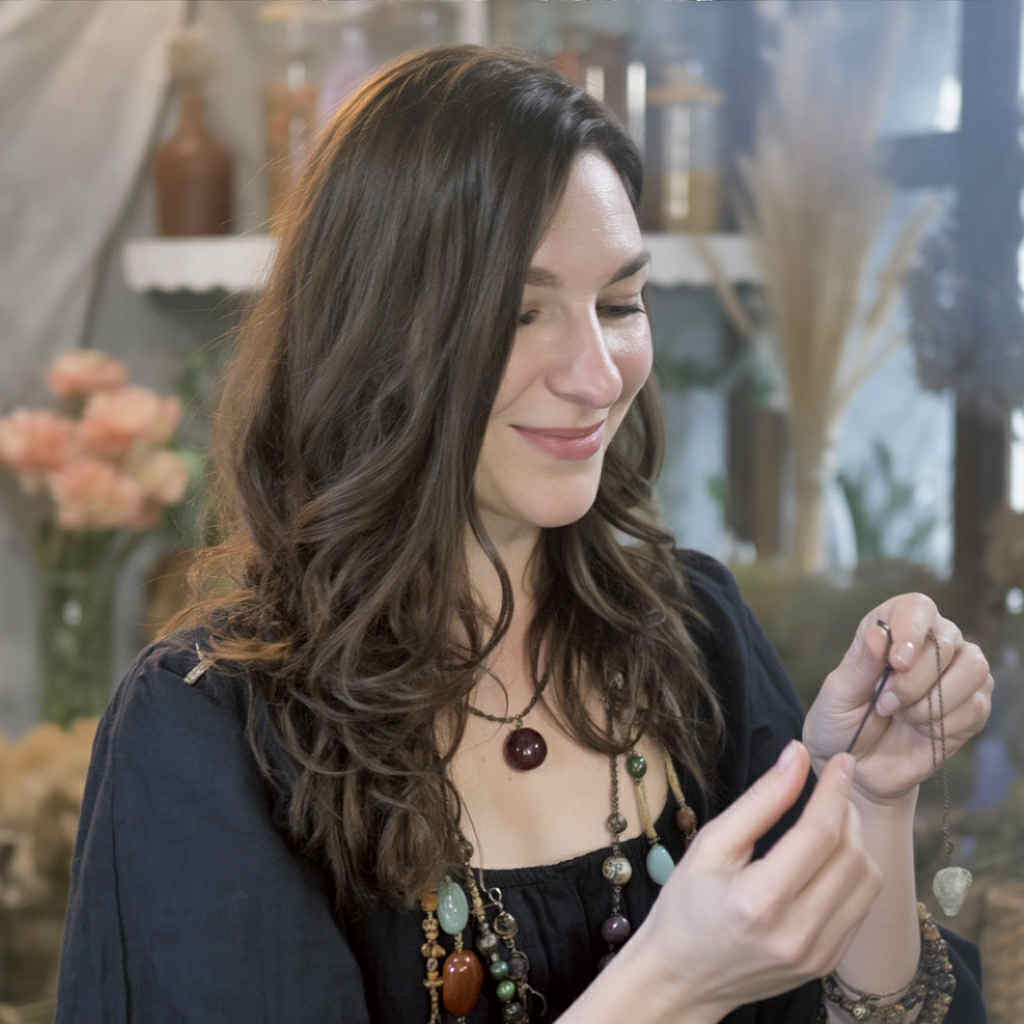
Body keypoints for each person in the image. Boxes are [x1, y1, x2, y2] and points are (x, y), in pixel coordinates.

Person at [55, 45, 990, 1023]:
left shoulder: (694, 636)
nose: (597, 375)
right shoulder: (208, 730)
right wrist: (673, 982)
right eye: (518, 314)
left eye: (619, 304)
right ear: (371, 329)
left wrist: (867, 799)